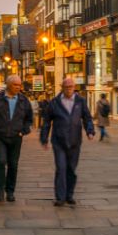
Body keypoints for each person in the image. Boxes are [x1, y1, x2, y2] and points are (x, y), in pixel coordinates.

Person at [0, 75, 35, 203]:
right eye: (15, 85)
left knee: (13, 164)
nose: (18, 87)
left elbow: (29, 119)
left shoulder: (24, 100)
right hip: (0, 136)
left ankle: (10, 191)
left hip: (16, 137)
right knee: (1, 161)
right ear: (8, 85)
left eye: (19, 85)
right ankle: (0, 189)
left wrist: (24, 131)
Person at [40, 77, 95, 206]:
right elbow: (47, 121)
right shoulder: (54, 102)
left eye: (71, 87)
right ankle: (60, 197)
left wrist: (90, 131)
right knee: (61, 168)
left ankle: (69, 195)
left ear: (74, 87)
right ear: (62, 88)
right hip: (58, 141)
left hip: (75, 141)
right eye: (66, 87)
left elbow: (87, 118)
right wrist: (44, 138)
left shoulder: (80, 101)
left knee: (71, 169)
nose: (69, 89)